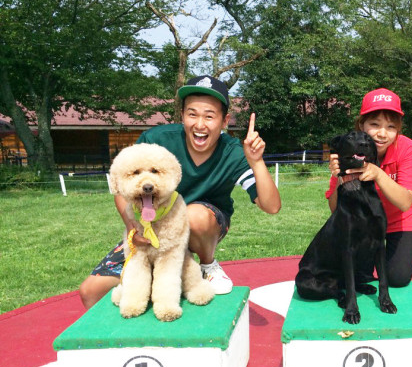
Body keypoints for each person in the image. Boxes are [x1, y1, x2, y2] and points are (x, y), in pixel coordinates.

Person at [79, 75, 281, 308]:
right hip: (153, 228)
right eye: (192, 114)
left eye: (209, 116)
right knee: (90, 291)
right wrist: (132, 226)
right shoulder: (155, 140)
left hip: (203, 227)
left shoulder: (233, 152)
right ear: (182, 115)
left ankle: (207, 266)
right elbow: (123, 183)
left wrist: (256, 162)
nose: (200, 124)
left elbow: (271, 206)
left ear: (225, 120)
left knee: (193, 215)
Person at [326, 88, 412, 287]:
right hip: (365, 219)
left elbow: (405, 203)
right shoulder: (348, 148)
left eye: (391, 126)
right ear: (361, 125)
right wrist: (339, 178)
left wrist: (378, 173)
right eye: (374, 124)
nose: (382, 133)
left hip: (401, 218)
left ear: (398, 129)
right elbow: (335, 209)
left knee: (397, 278)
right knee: (359, 276)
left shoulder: (407, 148)